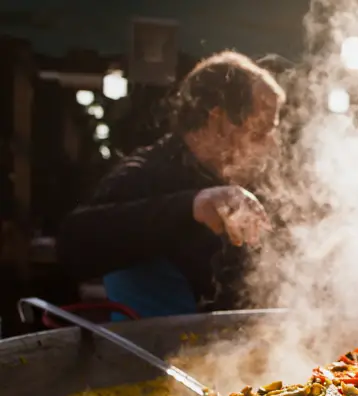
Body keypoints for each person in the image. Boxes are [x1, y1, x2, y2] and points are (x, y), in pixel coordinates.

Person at [58, 51, 285, 318]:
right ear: (219, 120)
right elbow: (74, 243)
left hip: (226, 349)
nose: (272, 145)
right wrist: (192, 206)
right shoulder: (146, 173)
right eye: (260, 132)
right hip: (151, 353)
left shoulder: (239, 183)